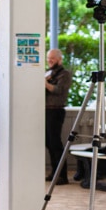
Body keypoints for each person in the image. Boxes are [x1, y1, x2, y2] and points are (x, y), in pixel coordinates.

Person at [45, 48, 73, 184]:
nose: (49, 61)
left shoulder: (64, 74)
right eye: (48, 58)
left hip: (56, 111)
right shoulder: (48, 73)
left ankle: (62, 175)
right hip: (46, 111)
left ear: (59, 59)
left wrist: (45, 84)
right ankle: (54, 172)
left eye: (52, 58)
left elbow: (59, 90)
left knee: (55, 143)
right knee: (48, 142)